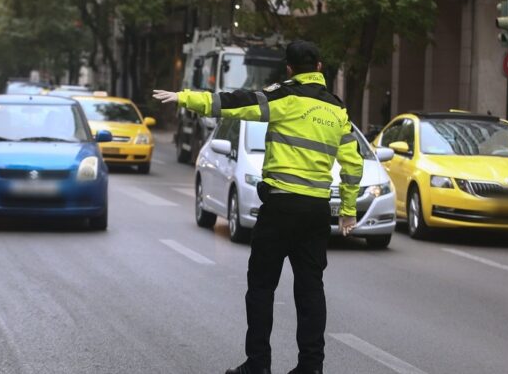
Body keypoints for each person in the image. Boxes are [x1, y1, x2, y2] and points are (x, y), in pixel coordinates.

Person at [153, 41, 364, 374]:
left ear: (289, 69)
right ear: (320, 68)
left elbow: (234, 103)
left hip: (280, 207)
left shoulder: (283, 97)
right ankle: (311, 367)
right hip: (316, 212)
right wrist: (348, 210)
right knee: (311, 290)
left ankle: (258, 365)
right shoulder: (337, 110)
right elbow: (353, 164)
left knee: (262, 287)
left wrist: (185, 97)